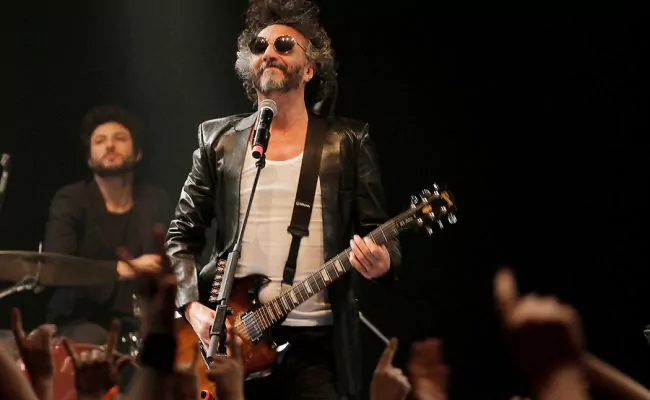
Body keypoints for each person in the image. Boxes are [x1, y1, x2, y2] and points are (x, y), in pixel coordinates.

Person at [165, 1, 400, 399]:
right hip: (230, 343)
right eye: (259, 46)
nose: (269, 52)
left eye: (285, 45)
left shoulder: (348, 142)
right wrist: (191, 307)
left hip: (315, 348)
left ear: (309, 68)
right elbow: (181, 236)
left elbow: (380, 233)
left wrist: (383, 261)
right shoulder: (218, 140)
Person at [44, 105, 171, 347]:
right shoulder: (71, 200)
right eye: (100, 141)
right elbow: (57, 266)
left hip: (139, 320)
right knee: (95, 337)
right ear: (89, 158)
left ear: (138, 153)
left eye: (120, 138)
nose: (110, 145)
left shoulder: (155, 201)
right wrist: (127, 268)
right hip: (78, 320)